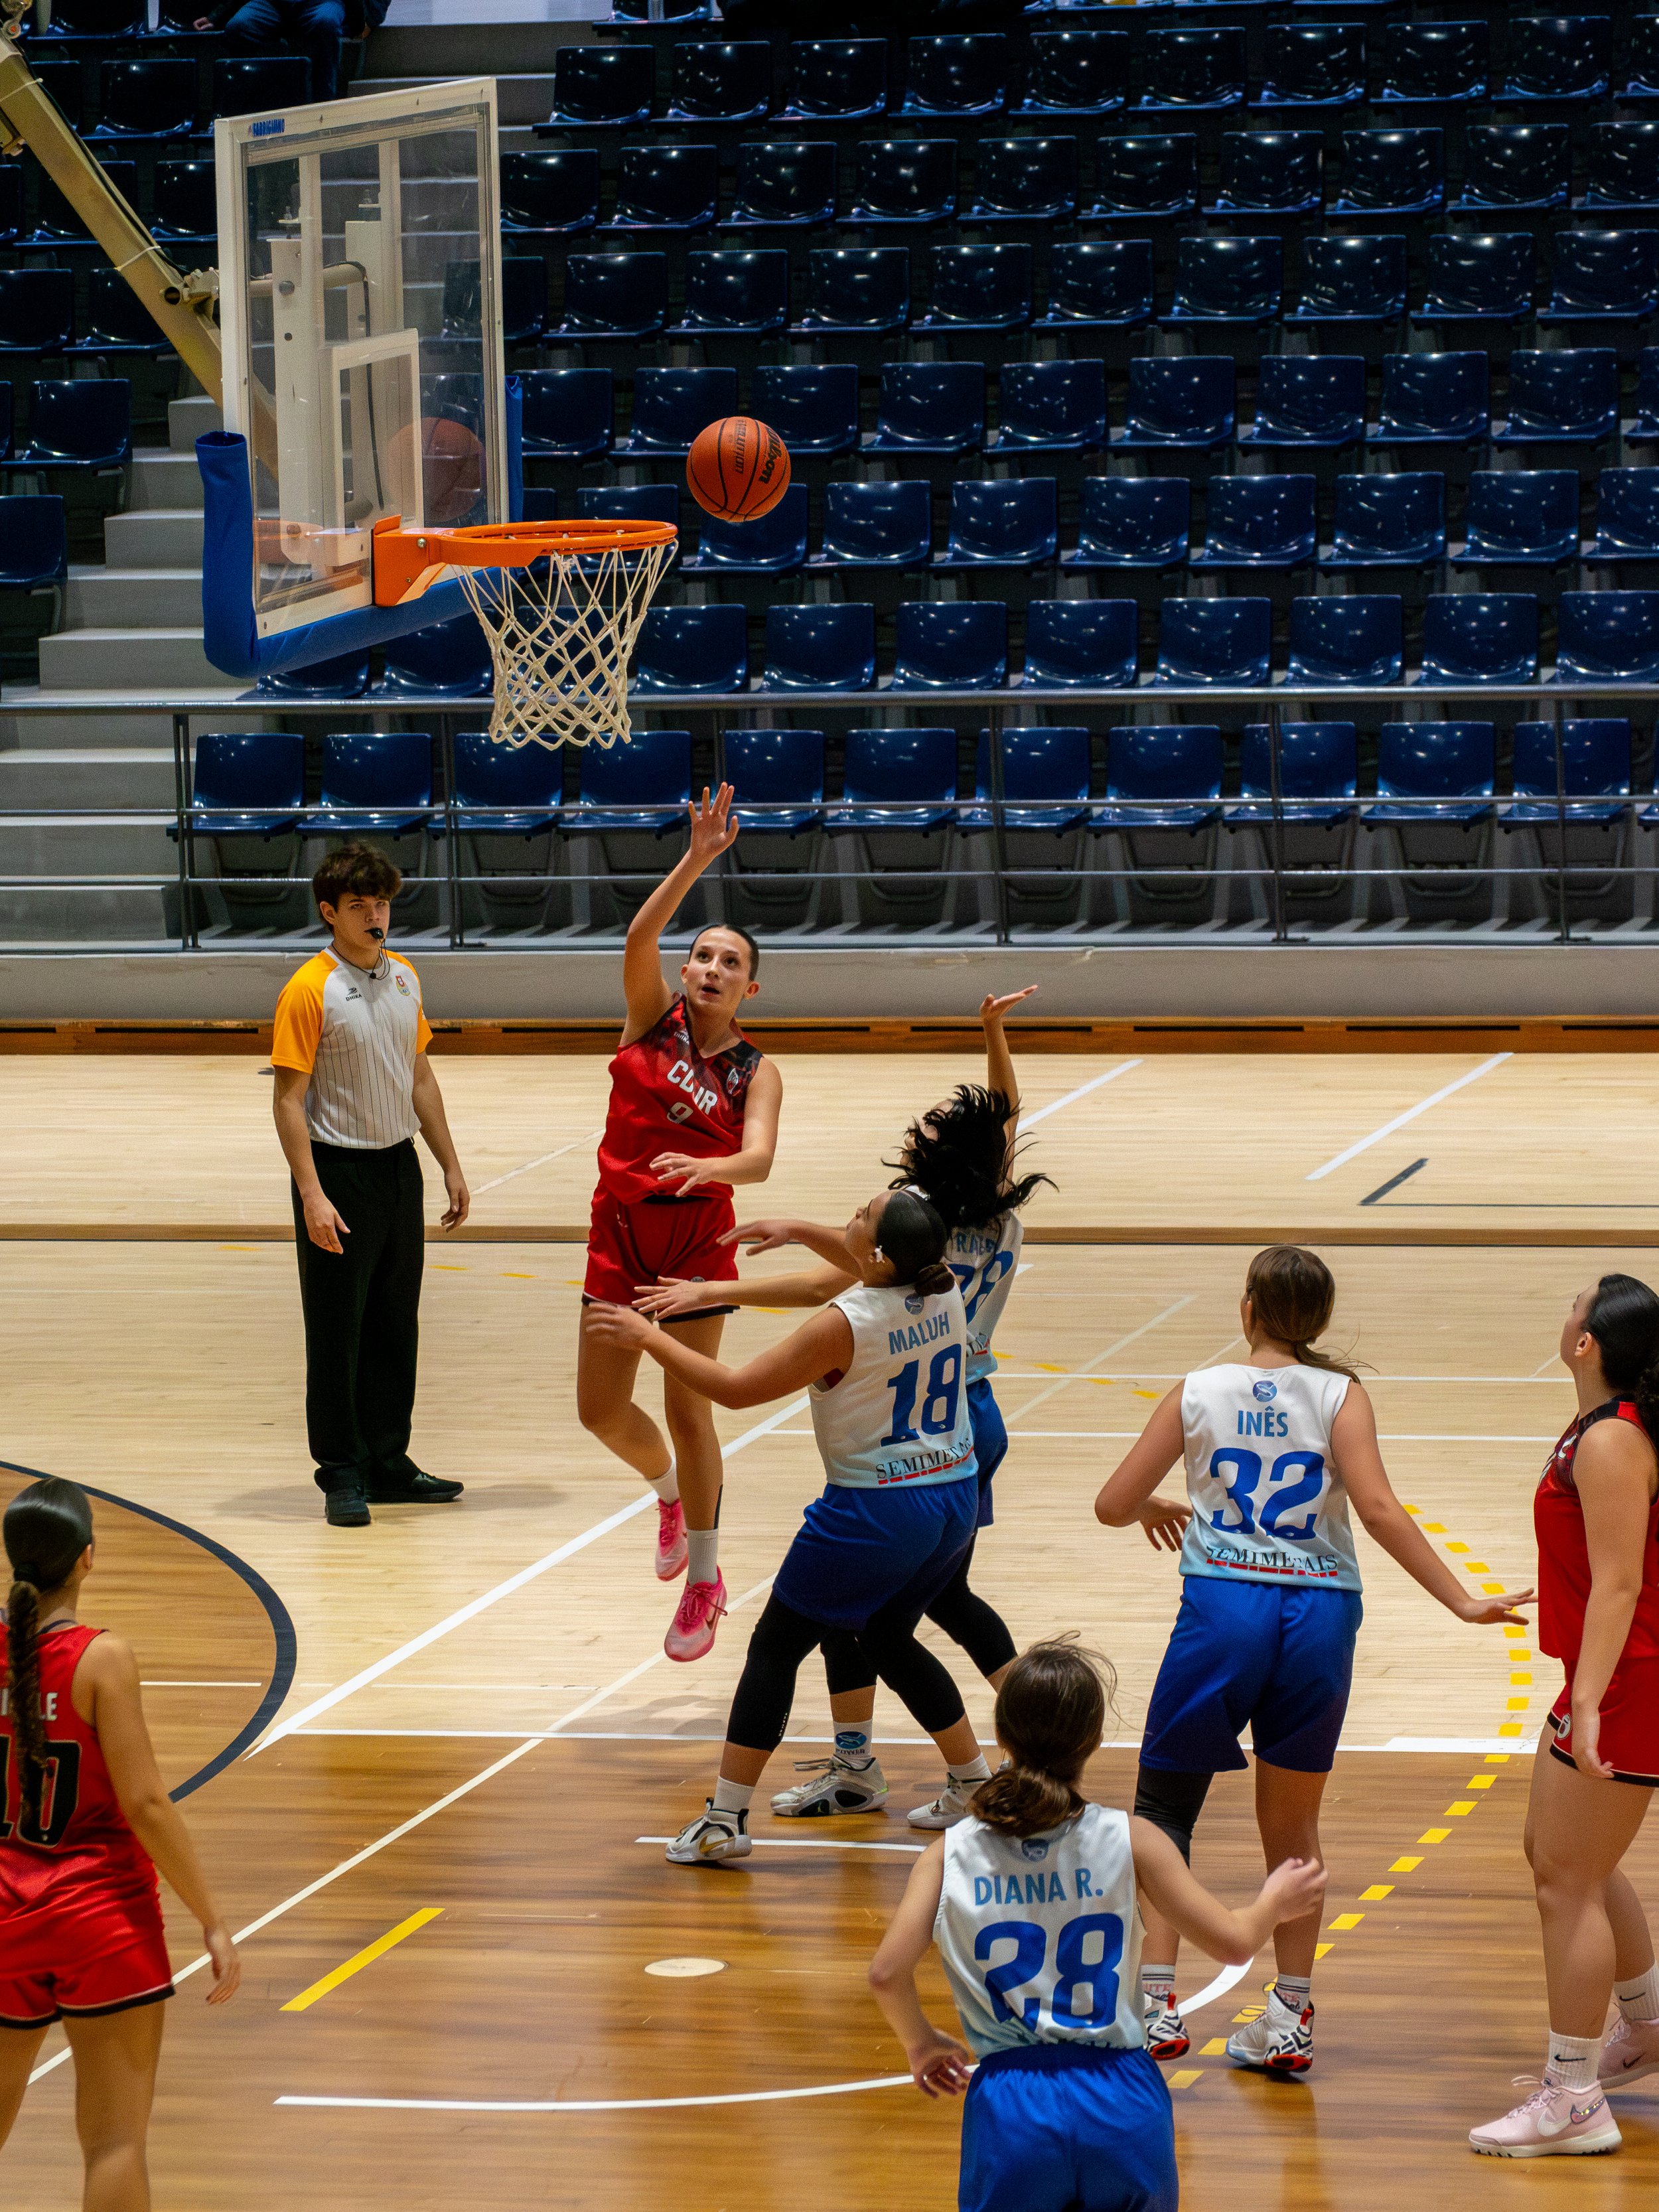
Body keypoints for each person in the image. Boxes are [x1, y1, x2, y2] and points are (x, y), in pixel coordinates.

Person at [1095, 1244, 1531, 2074]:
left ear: (1247, 1308)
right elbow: (1377, 1507)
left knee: (1162, 1814)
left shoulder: (1198, 1388)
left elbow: (1112, 1504)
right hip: (1321, 1613)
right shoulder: (1343, 1394)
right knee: (1293, 1829)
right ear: (1320, 1321)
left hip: (1224, 1608)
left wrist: (1154, 1500)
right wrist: (1461, 1599)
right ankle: (1290, 2015)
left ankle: (1153, 2006)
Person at [638, 986, 1048, 1826]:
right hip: (964, 1419)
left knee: (916, 1609)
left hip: (915, 1426)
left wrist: (725, 1287)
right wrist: (993, 1034)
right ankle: (883, 1762)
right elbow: (1000, 1123)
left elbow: (839, 1288)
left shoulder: (900, 1256)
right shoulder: (978, 1225)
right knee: (897, 1611)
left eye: (928, 1139)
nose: (915, 1140)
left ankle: (1026, 1743)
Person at [588, 1187, 992, 1866]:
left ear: (877, 1251)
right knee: (887, 1636)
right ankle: (972, 1782)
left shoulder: (847, 1321)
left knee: (776, 1645)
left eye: (860, 1214)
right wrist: (801, 1230)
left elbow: (738, 1389)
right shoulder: (942, 1284)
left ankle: (724, 1819)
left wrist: (648, 1337)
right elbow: (858, 1258)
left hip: (876, 1508)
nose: (853, 1213)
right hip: (951, 1492)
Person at [867, 1639, 1328, 2212]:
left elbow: (886, 1973)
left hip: (1012, 2105)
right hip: (1121, 2097)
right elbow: (1233, 1942)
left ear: (1002, 1738)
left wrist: (921, 2043)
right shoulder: (1132, 1837)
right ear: (1094, 1741)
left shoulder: (949, 1853)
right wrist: (1272, 1903)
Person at [576, 784, 782, 1664]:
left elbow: (761, 1159)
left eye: (726, 961)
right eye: (701, 955)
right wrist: (695, 858)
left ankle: (705, 1575)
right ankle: (664, 1494)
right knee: (598, 1409)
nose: (707, 967)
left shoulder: (758, 1071)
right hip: (619, 1230)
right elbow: (637, 938)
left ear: (749, 986)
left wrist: (711, 1165)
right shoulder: (646, 1019)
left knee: (688, 1408)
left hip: (696, 1241)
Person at [0, 1479, 240, 2210]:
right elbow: (145, 1804)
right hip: (100, 1919)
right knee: (113, 2141)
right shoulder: (103, 1659)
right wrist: (213, 1918)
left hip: (5, 1914)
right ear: (89, 1559)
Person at [1469, 1275, 1659, 2158]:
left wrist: (1586, 1700)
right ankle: (1648, 2027)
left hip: (1625, 1684)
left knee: (1569, 1881)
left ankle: (1574, 2099)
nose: (1565, 1306)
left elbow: (1623, 1579)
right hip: (1607, 1674)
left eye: (1576, 1301)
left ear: (1587, 1342)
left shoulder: (1614, 1438)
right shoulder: (1600, 1427)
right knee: (1556, 1856)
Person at [271, 842, 470, 1529]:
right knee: (337, 1334)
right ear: (331, 913)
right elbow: (288, 1101)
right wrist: (312, 1194)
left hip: (397, 1168)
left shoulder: (407, 977)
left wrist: (448, 1161)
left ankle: (389, 1461)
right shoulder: (309, 989)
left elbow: (419, 1075)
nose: (376, 916)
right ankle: (342, 1473)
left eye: (382, 903)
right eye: (359, 907)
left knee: (393, 1324)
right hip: (338, 1173)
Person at [192, 0, 346, 104]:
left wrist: (367, 19)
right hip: (272, 3)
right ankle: (258, 103)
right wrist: (215, 16)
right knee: (239, 27)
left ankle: (324, 105)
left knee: (326, 23)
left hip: (319, 3)